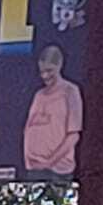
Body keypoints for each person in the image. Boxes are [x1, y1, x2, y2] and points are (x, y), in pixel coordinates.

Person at [22, 45, 83, 175]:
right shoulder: (39, 95)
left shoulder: (70, 91)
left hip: (58, 170)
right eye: (42, 71)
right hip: (34, 168)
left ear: (59, 65)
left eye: (49, 71)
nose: (45, 76)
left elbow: (73, 135)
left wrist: (49, 162)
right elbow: (30, 126)